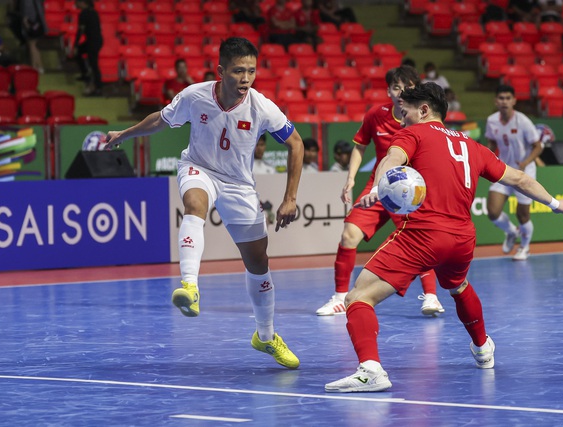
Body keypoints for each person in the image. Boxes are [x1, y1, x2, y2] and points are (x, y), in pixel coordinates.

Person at [325, 82, 563, 393]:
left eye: (405, 113)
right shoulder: (473, 145)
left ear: (425, 110)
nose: (401, 119)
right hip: (461, 238)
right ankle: (484, 348)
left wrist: (379, 188)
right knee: (458, 286)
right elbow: (520, 178)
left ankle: (371, 370)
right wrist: (555, 203)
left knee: (358, 298)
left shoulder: (412, 134)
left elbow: (390, 161)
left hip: (421, 236)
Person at [104, 37, 304, 369]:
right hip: (199, 167)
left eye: (251, 71)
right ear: (221, 71)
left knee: (258, 262)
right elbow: (160, 120)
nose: (246, 79)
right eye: (239, 71)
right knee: (194, 204)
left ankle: (266, 337)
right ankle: (190, 287)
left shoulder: (262, 106)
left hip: (239, 185)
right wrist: (124, 134)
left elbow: (296, 144)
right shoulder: (195, 96)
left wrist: (290, 198)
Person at [315, 66, 444, 317]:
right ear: (388, 90)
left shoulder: (421, 118)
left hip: (410, 189)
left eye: (407, 87)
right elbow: (360, 146)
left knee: (418, 239)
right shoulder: (376, 114)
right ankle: (340, 297)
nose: (401, 92)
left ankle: (431, 296)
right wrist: (350, 179)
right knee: (349, 235)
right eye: (396, 87)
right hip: (378, 186)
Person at [485, 85, 543, 261]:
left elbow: (538, 146)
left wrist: (525, 162)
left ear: (514, 101)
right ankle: (511, 232)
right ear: (496, 101)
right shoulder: (491, 120)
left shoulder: (523, 121)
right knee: (492, 211)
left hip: (525, 171)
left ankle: (524, 247)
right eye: (501, 98)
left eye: (508, 98)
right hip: (503, 170)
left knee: (522, 214)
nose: (504, 101)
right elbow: (490, 143)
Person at [74, 0, 103, 96]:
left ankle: (97, 87)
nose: (75, 4)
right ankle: (85, 74)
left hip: (93, 42)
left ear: (83, 2)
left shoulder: (84, 14)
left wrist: (75, 45)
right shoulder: (93, 12)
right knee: (80, 53)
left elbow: (80, 30)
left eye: (77, 2)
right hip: (96, 41)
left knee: (93, 64)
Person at [17, 0, 46, 72]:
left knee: (32, 45)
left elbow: (29, 10)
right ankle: (39, 66)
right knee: (34, 45)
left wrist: (26, 21)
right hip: (35, 23)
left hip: (32, 23)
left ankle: (35, 67)